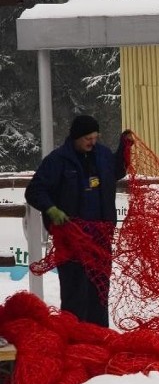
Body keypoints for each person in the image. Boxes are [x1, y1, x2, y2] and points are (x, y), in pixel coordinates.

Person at [24, 115, 133, 327]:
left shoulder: (101, 154)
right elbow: (35, 190)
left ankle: (98, 340)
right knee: (75, 292)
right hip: (71, 240)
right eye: (87, 138)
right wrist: (51, 208)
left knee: (98, 292)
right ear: (75, 137)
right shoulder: (57, 160)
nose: (92, 142)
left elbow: (117, 170)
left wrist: (124, 148)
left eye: (95, 137)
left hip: (100, 240)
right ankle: (73, 338)